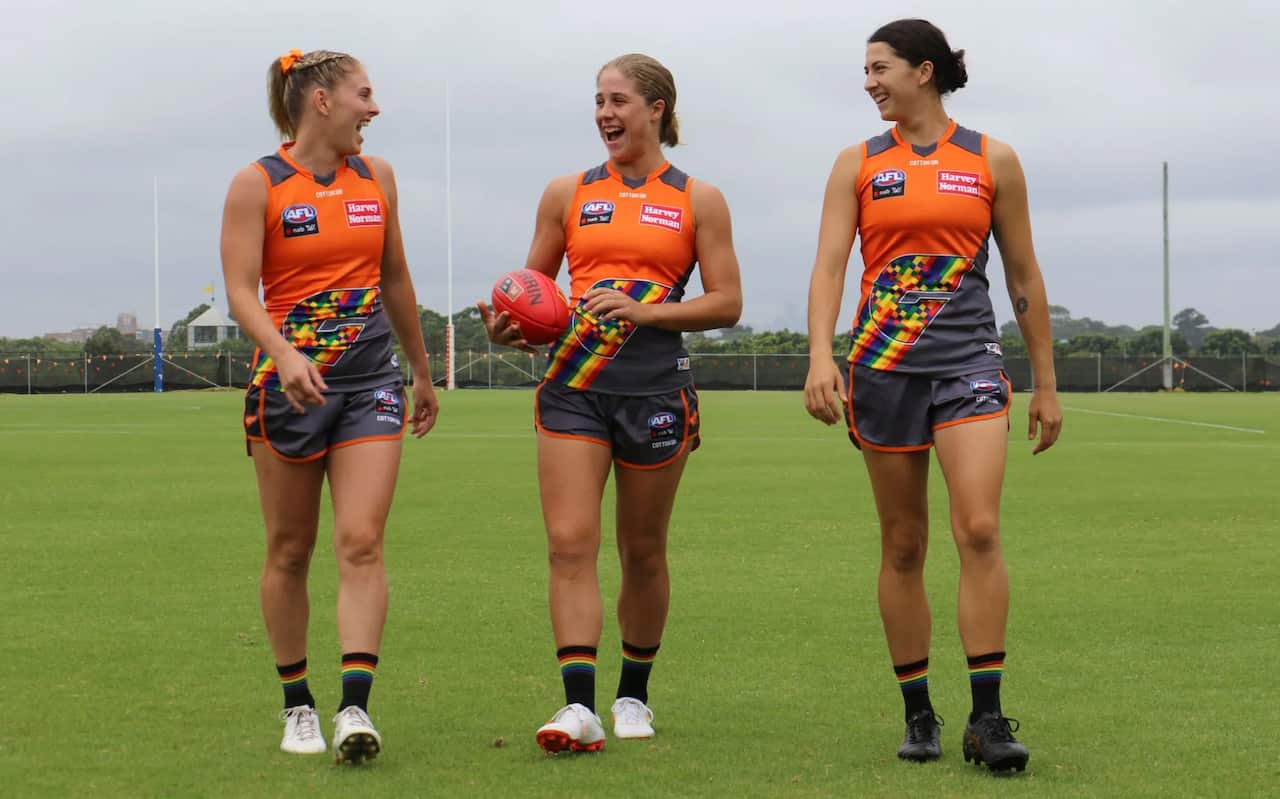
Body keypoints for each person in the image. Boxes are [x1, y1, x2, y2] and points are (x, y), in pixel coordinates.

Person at [803, 19, 1062, 772]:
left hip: (969, 365)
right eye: (865, 70)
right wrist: (820, 357)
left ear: (924, 71)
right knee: (904, 543)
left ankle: (988, 717)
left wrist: (1046, 383)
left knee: (978, 528)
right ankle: (919, 712)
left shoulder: (992, 159)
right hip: (882, 369)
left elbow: (1023, 275)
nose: (869, 82)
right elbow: (829, 268)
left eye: (879, 68)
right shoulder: (857, 163)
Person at [478, 53, 742, 753]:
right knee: (569, 543)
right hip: (573, 389)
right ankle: (578, 705)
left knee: (643, 551)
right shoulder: (566, 193)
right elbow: (530, 291)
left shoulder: (699, 198)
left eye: (618, 100)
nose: (605, 113)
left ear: (656, 108)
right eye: (599, 100)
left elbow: (727, 301)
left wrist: (645, 311)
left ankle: (633, 695)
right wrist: (507, 326)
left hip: (656, 392)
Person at [220, 48, 438, 765]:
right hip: (286, 390)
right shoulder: (257, 183)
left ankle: (354, 707)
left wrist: (421, 370)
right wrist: (284, 355)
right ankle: (298, 706)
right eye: (363, 95)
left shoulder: (378, 177)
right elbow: (241, 291)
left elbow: (395, 276)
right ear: (321, 101)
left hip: (371, 384)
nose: (373, 109)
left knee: (362, 541)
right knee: (290, 549)